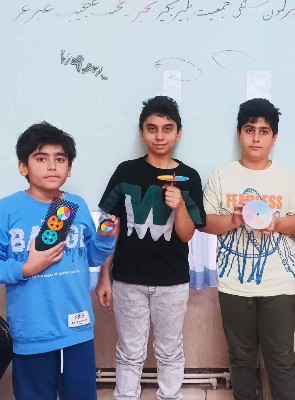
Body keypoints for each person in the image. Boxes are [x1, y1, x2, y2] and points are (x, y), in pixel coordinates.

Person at [96, 96, 206, 400]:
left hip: (172, 281)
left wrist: (180, 206)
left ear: (178, 133)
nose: (160, 136)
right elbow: (110, 229)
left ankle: (170, 395)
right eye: (152, 128)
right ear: (141, 133)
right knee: (129, 349)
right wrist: (105, 276)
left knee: (169, 349)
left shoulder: (189, 177)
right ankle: (126, 395)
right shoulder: (126, 172)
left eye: (167, 128)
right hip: (127, 279)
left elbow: (187, 235)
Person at [0, 121, 117, 400]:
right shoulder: (7, 209)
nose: (52, 166)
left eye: (60, 159)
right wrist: (26, 268)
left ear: (69, 168)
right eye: (41, 158)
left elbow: (92, 256)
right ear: (23, 167)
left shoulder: (74, 206)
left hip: (77, 329)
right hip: (32, 333)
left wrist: (105, 238)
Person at [202, 98, 295, 400]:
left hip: (278, 284)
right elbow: (205, 222)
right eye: (250, 130)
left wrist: (276, 223)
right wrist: (234, 220)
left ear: (274, 138)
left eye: (264, 131)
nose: (256, 138)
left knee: (281, 359)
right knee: (241, 359)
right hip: (233, 285)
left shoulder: (285, 177)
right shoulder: (222, 175)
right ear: (239, 134)